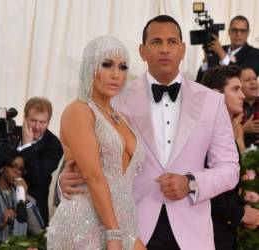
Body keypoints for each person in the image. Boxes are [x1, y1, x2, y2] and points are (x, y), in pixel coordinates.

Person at [60, 15, 240, 250]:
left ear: (183, 49)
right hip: (131, 230)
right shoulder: (114, 100)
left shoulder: (212, 102)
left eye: (172, 42)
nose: (165, 49)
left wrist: (191, 183)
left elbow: (229, 168)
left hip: (193, 234)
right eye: (156, 42)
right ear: (142, 51)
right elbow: (86, 159)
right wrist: (66, 180)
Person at [47, 36, 146, 250]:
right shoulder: (79, 110)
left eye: (122, 67)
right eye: (107, 64)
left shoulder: (120, 117)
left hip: (124, 224)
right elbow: (93, 176)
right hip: (85, 224)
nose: (115, 75)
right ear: (90, 66)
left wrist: (117, 231)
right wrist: (113, 233)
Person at [202, 65, 259, 250]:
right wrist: (242, 213)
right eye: (235, 89)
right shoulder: (205, 134)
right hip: (208, 235)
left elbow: (227, 191)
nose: (242, 96)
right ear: (216, 94)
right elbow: (207, 195)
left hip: (224, 233)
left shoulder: (226, 132)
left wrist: (246, 208)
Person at [18, 97, 63, 226]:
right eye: (33, 120)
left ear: (48, 122)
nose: (37, 127)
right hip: (4, 205)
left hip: (34, 210)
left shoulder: (54, 145)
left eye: (42, 122)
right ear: (25, 118)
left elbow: (37, 177)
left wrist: (27, 146)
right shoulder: (12, 133)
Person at [196, 15, 259, 82]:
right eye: (234, 30)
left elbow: (241, 76)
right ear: (229, 31)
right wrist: (206, 59)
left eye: (243, 31)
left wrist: (221, 53)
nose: (238, 34)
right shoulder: (217, 49)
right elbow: (200, 80)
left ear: (248, 33)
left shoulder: (255, 54)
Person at [239, 67, 259, 147]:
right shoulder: (232, 106)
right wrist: (243, 129)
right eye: (247, 80)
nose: (253, 82)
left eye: (255, 79)